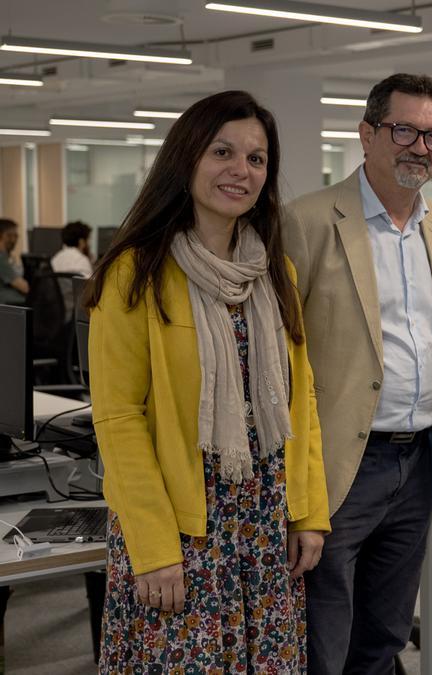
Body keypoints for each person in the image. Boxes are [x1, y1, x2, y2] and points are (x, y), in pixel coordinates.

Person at [84, 90, 330, 672]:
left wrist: (308, 513)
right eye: (223, 151)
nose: (240, 171)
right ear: (186, 158)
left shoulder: (275, 272)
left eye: (257, 158)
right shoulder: (133, 275)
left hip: (265, 519)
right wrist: (152, 549)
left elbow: (303, 400)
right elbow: (118, 419)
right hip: (182, 526)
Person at [283, 72, 432, 672]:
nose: (420, 147)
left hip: (419, 465)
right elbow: (281, 361)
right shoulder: (306, 222)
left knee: (384, 636)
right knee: (322, 638)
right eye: (404, 129)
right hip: (341, 464)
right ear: (367, 134)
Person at [50, 219, 94, 309]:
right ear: (81, 242)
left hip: (58, 311)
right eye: (88, 240)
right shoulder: (82, 260)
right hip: (76, 311)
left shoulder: (55, 259)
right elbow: (91, 292)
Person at [0, 218, 28, 306]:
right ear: (5, 236)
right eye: (15, 235)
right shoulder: (1, 259)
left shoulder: (6, 257)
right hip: (10, 306)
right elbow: (24, 288)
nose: (16, 239)